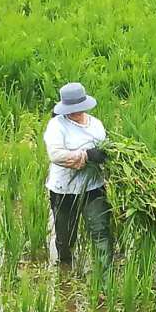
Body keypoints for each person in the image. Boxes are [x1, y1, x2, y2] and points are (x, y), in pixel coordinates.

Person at [43, 82, 113, 284]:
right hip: (64, 190)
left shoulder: (96, 125)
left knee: (101, 233)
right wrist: (86, 155)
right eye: (71, 110)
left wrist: (105, 156)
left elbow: (106, 149)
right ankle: (65, 271)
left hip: (93, 187)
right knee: (65, 238)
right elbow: (55, 155)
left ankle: (105, 282)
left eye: (78, 109)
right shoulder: (56, 126)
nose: (75, 113)